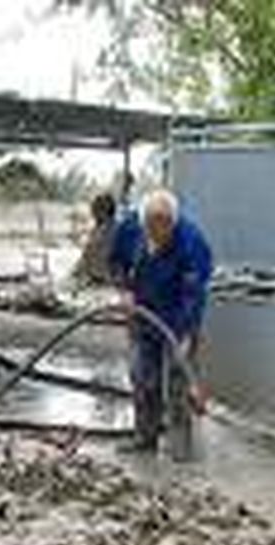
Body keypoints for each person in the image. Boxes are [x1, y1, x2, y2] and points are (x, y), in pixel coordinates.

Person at [108, 188, 214, 460]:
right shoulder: (129, 228)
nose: (156, 237)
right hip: (142, 315)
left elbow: (194, 295)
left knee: (178, 384)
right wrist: (124, 290)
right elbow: (116, 261)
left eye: (162, 232)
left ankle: (180, 447)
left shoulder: (192, 244)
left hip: (177, 320)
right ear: (142, 223)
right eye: (150, 231)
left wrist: (185, 334)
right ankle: (146, 438)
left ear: (173, 223)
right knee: (143, 378)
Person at [75, 192, 119, 286]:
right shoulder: (98, 228)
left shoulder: (112, 231)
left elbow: (100, 257)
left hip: (104, 281)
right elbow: (87, 255)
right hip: (93, 278)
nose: (93, 214)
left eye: (95, 210)